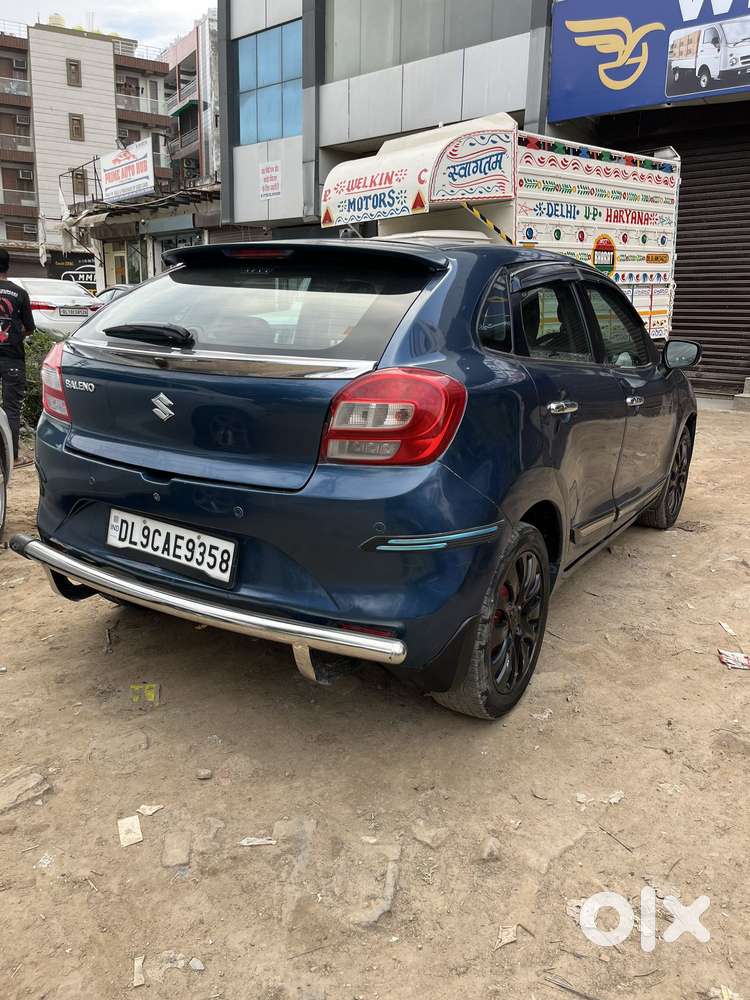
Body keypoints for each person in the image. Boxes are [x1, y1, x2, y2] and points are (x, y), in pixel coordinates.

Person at [0, 250, 35, 466]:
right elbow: (30, 328)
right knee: (11, 409)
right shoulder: (20, 293)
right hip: (12, 357)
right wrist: (14, 335)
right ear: (8, 266)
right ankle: (12, 458)